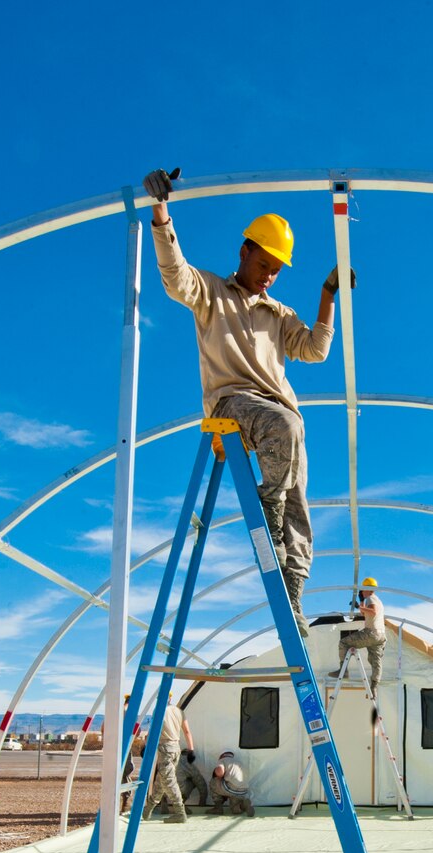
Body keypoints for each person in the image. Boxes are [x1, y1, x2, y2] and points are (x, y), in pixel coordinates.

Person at [144, 166, 344, 637]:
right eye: (263, 266)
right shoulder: (213, 293)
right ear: (244, 251)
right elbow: (175, 278)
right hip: (233, 406)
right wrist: (161, 212)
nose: (268, 277)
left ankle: (291, 598)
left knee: (301, 513)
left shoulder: (279, 313)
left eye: (276, 271)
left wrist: (328, 295)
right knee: (287, 431)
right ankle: (268, 516)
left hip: (280, 422)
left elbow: (314, 350)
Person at [142, 696, 194, 824]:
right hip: (176, 748)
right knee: (162, 780)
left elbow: (154, 730)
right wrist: (191, 749)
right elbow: (187, 731)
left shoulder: (158, 710)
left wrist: (145, 745)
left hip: (165, 749)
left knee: (169, 782)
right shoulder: (179, 711)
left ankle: (180, 813)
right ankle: (148, 809)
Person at [339, 577, 388, 691]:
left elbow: (373, 611)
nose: (361, 592)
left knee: (343, 643)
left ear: (367, 589)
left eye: (362, 590)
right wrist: (361, 601)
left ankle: (343, 671)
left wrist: (358, 606)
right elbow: (365, 613)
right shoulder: (377, 600)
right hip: (381, 636)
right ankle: (374, 686)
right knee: (375, 660)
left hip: (371, 633)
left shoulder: (371, 598)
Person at [209, 750, 256, 817]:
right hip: (243, 790)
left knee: (213, 782)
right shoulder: (239, 763)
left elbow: (219, 771)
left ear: (222, 756)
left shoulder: (223, 760)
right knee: (235, 809)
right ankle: (243, 806)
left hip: (231, 788)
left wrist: (218, 777)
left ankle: (218, 808)